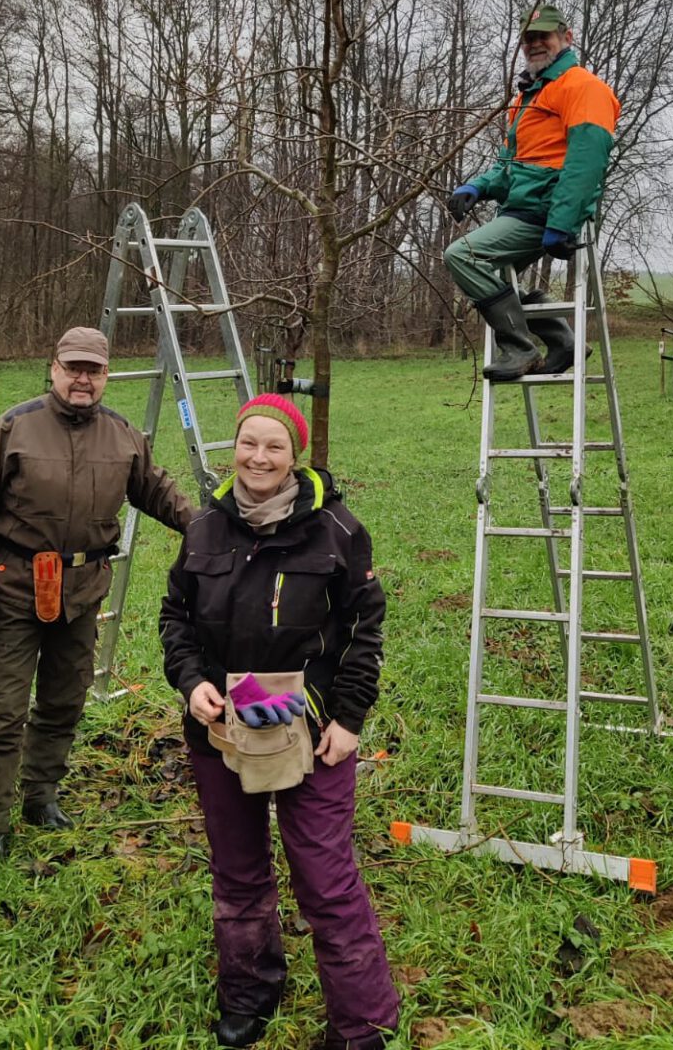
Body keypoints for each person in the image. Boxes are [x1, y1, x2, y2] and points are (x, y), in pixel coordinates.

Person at [159, 393, 399, 1050]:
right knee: (238, 873)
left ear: (296, 457)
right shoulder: (205, 526)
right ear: (232, 449)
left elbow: (363, 629)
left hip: (312, 726)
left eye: (274, 446)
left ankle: (361, 1025)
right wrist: (192, 682)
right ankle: (250, 990)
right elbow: (175, 617)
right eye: (248, 443)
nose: (258, 457)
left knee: (325, 880)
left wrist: (349, 718)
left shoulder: (336, 531)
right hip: (224, 728)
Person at [0, 325, 196, 857]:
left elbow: (158, 492)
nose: (82, 379)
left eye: (94, 370)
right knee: (3, 709)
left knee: (63, 701)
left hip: (81, 592)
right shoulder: (15, 426)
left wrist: (209, 528)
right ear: (55, 369)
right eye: (73, 368)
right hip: (14, 588)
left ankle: (42, 795)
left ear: (106, 375)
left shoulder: (124, 435)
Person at [444, 3, 621, 380]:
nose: (535, 44)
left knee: (462, 256)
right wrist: (478, 186)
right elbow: (512, 164)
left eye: (544, 36)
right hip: (521, 208)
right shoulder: (528, 95)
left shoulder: (583, 88)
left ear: (566, 37)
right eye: (528, 38)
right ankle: (564, 340)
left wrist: (562, 222)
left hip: (545, 211)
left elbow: (586, 165)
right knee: (492, 279)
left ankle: (521, 349)